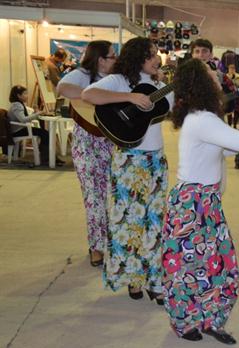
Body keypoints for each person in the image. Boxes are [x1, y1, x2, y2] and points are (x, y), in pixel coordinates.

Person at [162, 58, 239, 342]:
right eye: (209, 72)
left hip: (204, 201)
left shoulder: (204, 118)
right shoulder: (201, 119)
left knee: (217, 262)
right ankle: (188, 322)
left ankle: (210, 320)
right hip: (192, 202)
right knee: (187, 266)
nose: (216, 75)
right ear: (201, 82)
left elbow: (225, 150)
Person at [82, 37, 172, 304]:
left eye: (157, 54)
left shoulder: (160, 83)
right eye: (152, 55)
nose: (157, 59)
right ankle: (134, 280)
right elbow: (89, 95)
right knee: (130, 224)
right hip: (130, 161)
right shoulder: (119, 80)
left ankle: (155, 281)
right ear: (138, 58)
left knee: (155, 223)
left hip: (156, 160)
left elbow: (177, 108)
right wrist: (129, 96)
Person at [57, 40, 117, 268]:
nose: (115, 60)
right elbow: (63, 88)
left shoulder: (116, 77)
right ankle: (96, 246)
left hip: (110, 143)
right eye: (112, 56)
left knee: (109, 195)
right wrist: (93, 95)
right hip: (86, 145)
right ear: (100, 59)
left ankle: (108, 241)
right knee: (93, 197)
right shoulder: (82, 74)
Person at [7, 85, 63, 167]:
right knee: (45, 134)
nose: (27, 95)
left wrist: (35, 112)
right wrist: (37, 114)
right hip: (18, 131)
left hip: (21, 128)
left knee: (44, 133)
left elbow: (25, 118)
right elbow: (23, 119)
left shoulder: (19, 104)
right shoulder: (17, 105)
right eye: (25, 94)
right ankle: (47, 158)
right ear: (18, 96)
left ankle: (49, 157)